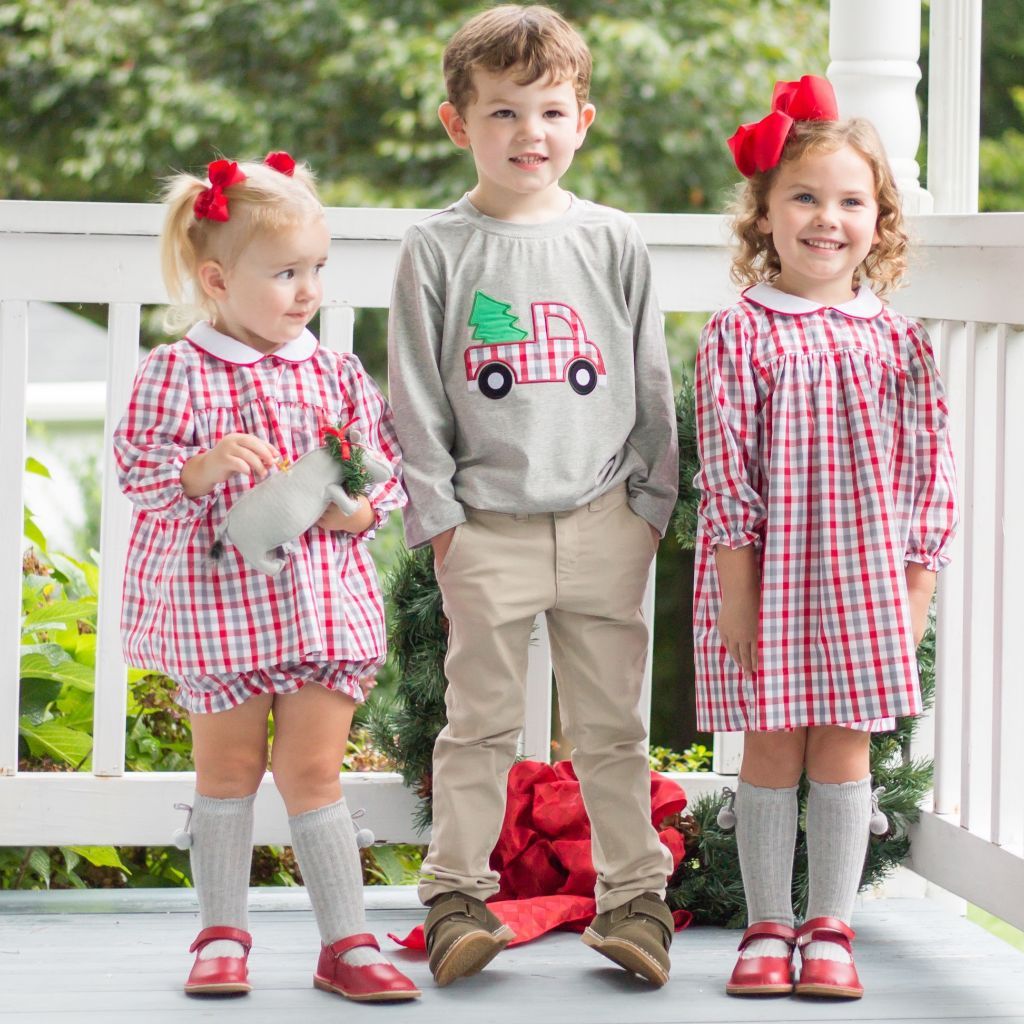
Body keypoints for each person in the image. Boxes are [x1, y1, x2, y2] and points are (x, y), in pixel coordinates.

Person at [387, 4, 679, 989]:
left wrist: (650, 509)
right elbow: (416, 398)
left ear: (582, 121)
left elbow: (649, 383)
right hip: (486, 529)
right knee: (476, 723)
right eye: (503, 113)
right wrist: (441, 525)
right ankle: (455, 898)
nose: (529, 134)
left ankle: (634, 899)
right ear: (455, 121)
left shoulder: (613, 239)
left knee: (612, 726)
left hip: (606, 521)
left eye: (550, 112)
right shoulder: (435, 247)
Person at [113, 152, 419, 1002]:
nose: (306, 289)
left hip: (322, 609)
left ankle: (347, 943)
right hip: (223, 611)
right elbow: (138, 470)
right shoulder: (178, 372)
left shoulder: (332, 371)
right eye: (285, 272)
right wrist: (200, 469)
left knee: (315, 772)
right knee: (229, 771)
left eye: (316, 268)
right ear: (217, 278)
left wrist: (357, 512)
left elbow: (380, 472)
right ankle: (220, 933)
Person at [693, 76, 958, 1000]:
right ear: (763, 214)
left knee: (844, 748)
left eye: (851, 200)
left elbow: (932, 474)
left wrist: (916, 593)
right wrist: (737, 591)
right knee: (771, 747)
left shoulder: (898, 340)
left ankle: (830, 927)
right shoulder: (739, 333)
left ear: (878, 219)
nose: (825, 219)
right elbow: (726, 473)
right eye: (803, 196)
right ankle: (768, 926)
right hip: (765, 576)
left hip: (866, 582)